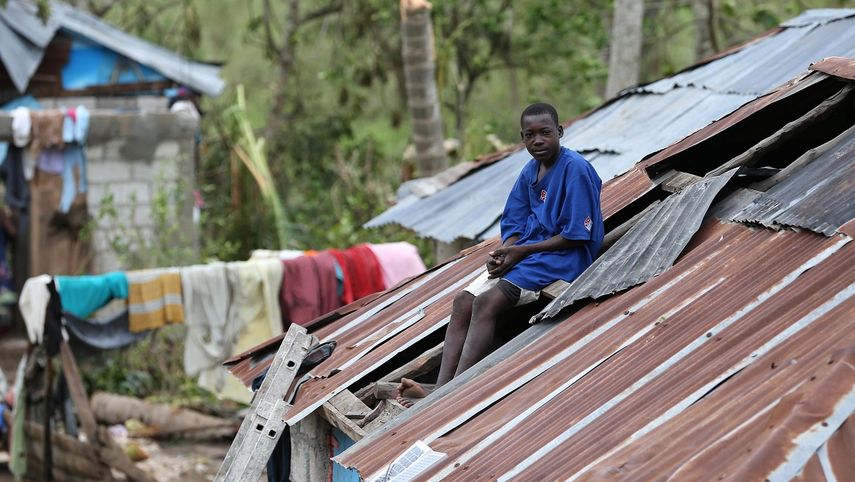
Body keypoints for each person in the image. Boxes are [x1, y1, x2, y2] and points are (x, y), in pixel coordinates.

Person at [397, 102, 604, 406]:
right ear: (522, 138)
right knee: (463, 300)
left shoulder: (575, 169)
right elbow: (514, 222)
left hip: (564, 257)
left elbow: (575, 236)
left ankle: (452, 394)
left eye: (545, 133)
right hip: (529, 254)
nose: (538, 141)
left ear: (559, 132)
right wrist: (505, 252)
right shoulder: (530, 171)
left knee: (487, 301)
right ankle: (439, 388)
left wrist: (519, 251)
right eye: (530, 135)